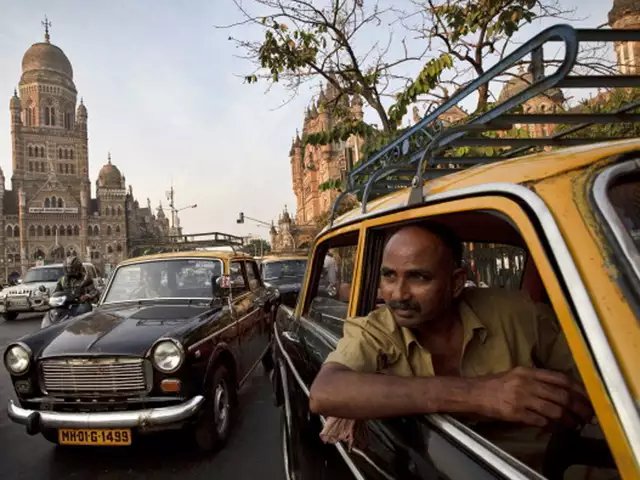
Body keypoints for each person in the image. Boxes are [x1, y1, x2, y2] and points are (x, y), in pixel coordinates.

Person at [309, 223, 593, 471]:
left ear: (456, 282)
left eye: (418, 277)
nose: (398, 294)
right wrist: (480, 393)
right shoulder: (376, 328)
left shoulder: (518, 313)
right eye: (389, 276)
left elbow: (598, 388)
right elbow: (326, 392)